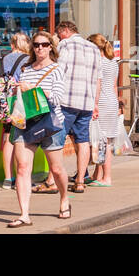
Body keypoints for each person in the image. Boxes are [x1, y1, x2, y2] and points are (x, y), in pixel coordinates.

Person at [7, 29, 70, 227]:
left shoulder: (57, 69)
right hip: (26, 122)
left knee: (56, 169)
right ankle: (24, 214)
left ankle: (64, 198)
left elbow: (57, 98)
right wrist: (16, 90)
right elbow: (19, 95)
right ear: (32, 48)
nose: (40, 48)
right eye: (36, 45)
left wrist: (34, 89)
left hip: (50, 123)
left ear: (51, 47)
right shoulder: (26, 69)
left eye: (44, 44)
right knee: (23, 168)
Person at [55, 20, 102, 193]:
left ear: (66, 30)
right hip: (86, 102)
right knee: (83, 141)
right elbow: (98, 79)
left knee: (57, 141)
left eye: (59, 34)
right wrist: (95, 103)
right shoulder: (94, 48)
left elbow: (58, 72)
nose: (59, 37)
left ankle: (52, 180)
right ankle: (80, 181)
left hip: (67, 101)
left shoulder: (65, 45)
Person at [87, 33, 119, 187]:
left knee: (103, 142)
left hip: (102, 103)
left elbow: (96, 86)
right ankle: (97, 174)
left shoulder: (97, 63)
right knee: (104, 141)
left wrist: (94, 104)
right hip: (112, 101)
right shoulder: (113, 62)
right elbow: (114, 86)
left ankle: (107, 177)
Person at [0, 32, 30, 190]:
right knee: (20, 140)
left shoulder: (4, 59)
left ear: (12, 44)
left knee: (7, 138)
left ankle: (7, 178)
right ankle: (20, 178)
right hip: (20, 103)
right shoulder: (27, 59)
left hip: (6, 102)